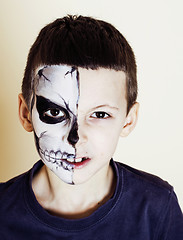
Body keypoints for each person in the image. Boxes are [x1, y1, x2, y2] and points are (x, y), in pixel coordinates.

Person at [0, 15, 182, 239]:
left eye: (99, 114)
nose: (76, 138)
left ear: (128, 120)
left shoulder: (157, 207)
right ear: (26, 113)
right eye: (55, 112)